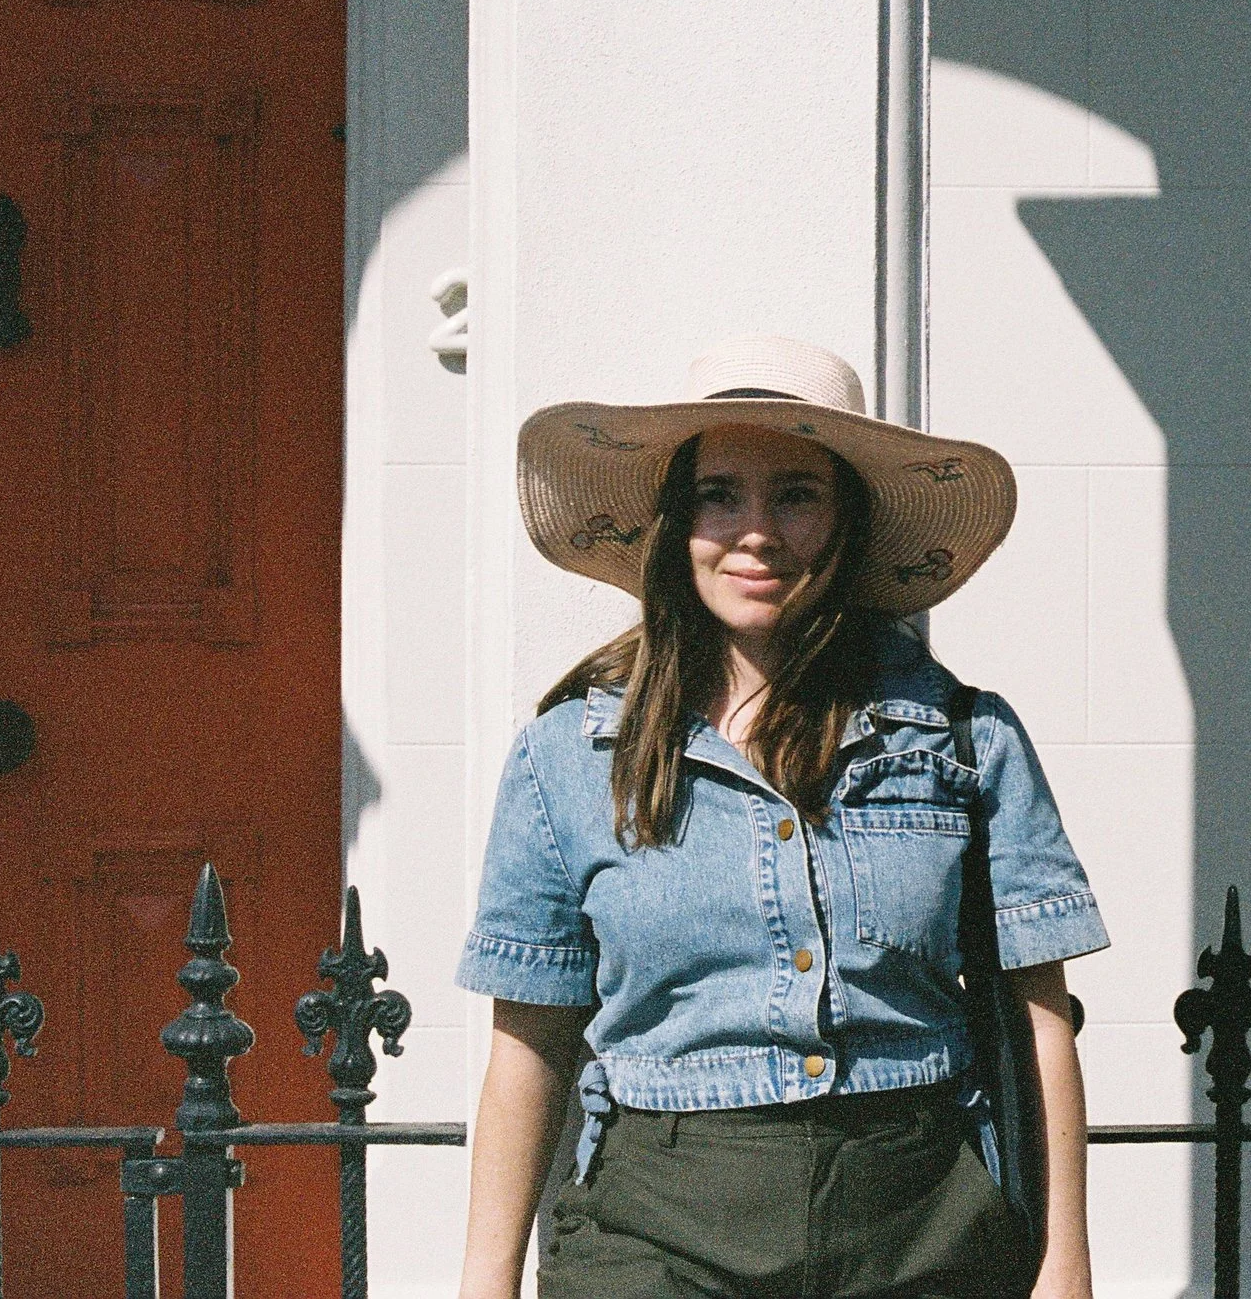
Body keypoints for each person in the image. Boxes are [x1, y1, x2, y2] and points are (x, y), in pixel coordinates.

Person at [455, 336, 1109, 1299]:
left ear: (848, 522)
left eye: (796, 494)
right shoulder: (567, 756)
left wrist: (1065, 1264)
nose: (754, 531)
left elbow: (1038, 1016)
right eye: (720, 494)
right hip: (656, 1228)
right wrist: (485, 1282)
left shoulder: (963, 739)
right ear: (677, 524)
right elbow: (530, 1040)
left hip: (918, 1221)